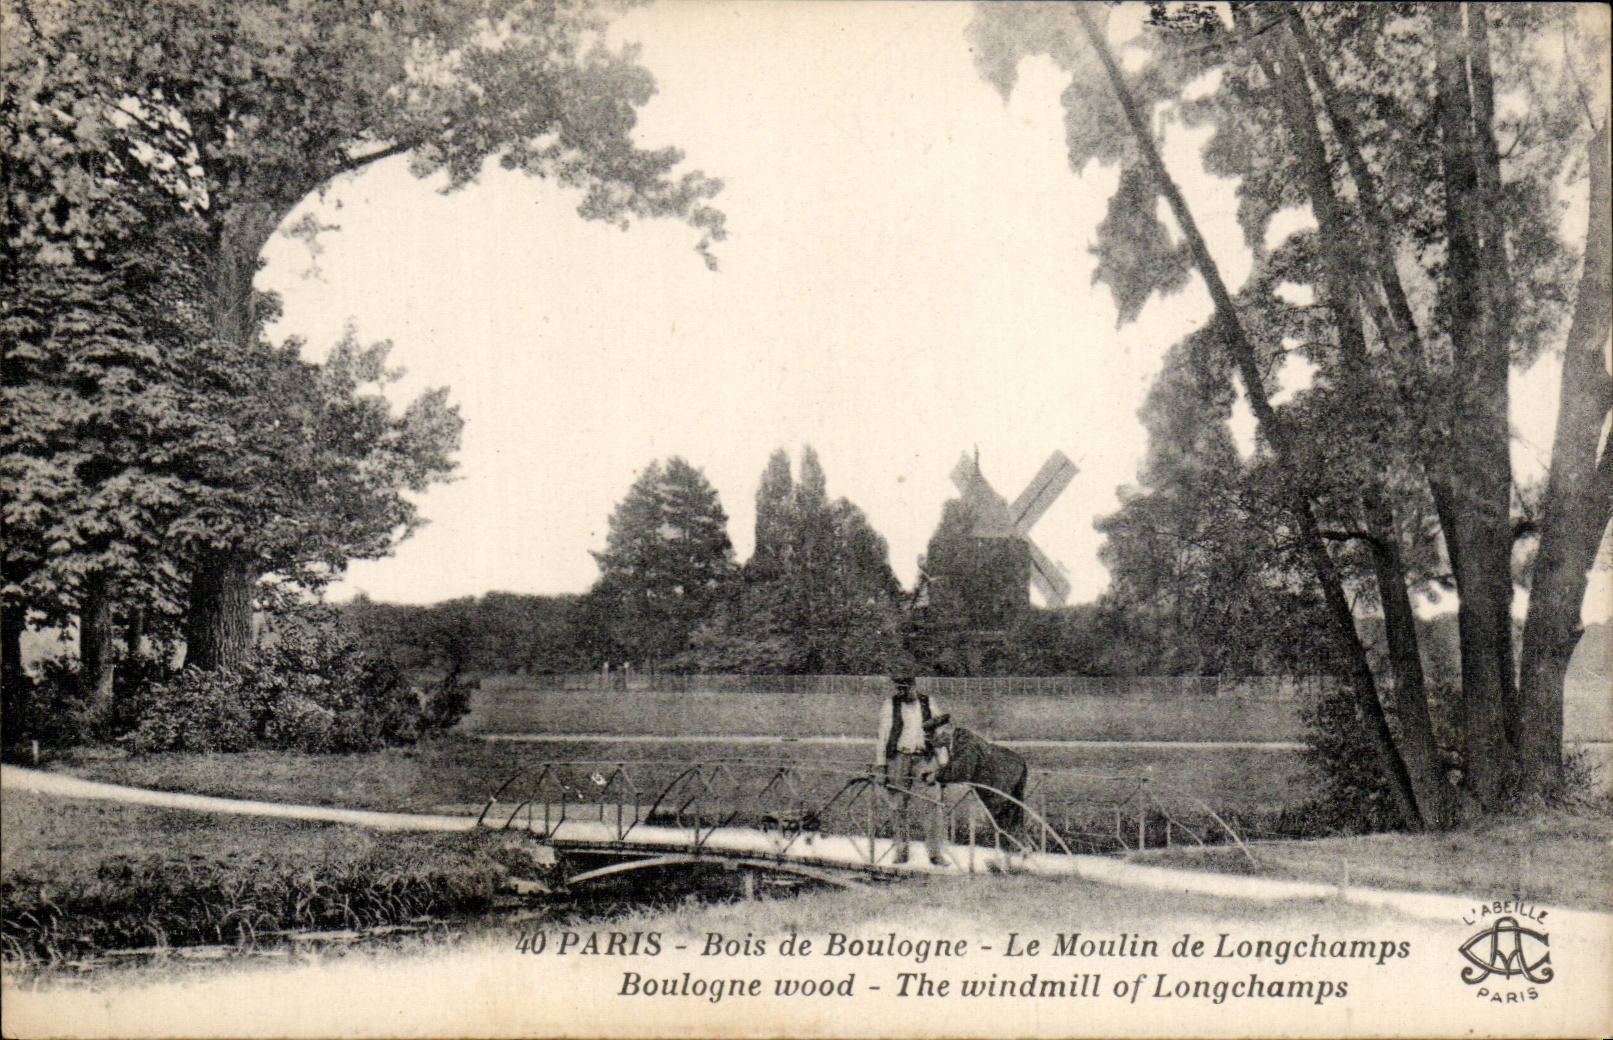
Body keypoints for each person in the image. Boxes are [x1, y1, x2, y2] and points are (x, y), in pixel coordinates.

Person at [874, 674, 948, 866]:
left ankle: (935, 853)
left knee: (932, 800)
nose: (901, 692)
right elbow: (883, 736)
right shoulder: (890, 705)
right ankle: (901, 850)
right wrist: (881, 765)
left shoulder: (928, 703)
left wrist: (943, 763)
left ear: (914, 686)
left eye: (905, 688)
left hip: (923, 758)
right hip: (899, 758)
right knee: (898, 804)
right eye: (898, 688)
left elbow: (939, 734)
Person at [924, 713, 1029, 834]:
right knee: (1009, 818)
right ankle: (1018, 848)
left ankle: (1017, 849)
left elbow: (961, 771)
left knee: (1006, 818)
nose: (930, 741)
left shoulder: (965, 743)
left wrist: (935, 776)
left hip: (1002, 775)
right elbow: (956, 764)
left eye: (932, 736)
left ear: (945, 731)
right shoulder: (958, 739)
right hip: (1007, 769)